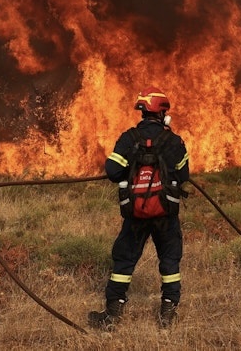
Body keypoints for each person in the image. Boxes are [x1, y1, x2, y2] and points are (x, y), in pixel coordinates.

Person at [89, 86, 190, 329]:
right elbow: (184, 174)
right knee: (169, 259)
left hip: (135, 212)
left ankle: (113, 315)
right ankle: (167, 315)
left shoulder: (129, 138)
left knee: (124, 258)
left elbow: (113, 171)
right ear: (163, 113)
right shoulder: (173, 141)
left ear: (143, 112)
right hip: (165, 212)